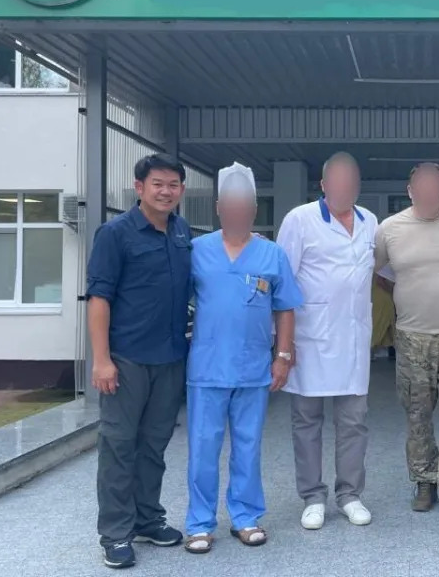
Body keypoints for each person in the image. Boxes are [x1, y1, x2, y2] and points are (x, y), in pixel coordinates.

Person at [184, 163, 302, 554]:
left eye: (245, 205)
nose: (237, 211)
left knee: (248, 446)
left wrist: (283, 355)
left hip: (254, 368)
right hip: (207, 368)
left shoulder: (271, 254)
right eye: (230, 205)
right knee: (203, 447)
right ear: (219, 208)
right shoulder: (196, 251)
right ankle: (200, 522)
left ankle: (245, 517)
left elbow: (285, 308)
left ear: (254, 209)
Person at [86, 153, 192, 570]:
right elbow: (99, 298)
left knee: (154, 446)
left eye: (173, 185)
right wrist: (101, 360)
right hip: (126, 360)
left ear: (181, 190)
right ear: (139, 188)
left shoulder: (182, 232)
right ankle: (115, 533)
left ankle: (148, 519)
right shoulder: (115, 234)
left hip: (169, 359)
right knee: (118, 446)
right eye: (158, 184)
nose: (166, 191)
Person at [276, 152, 379, 530]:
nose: (343, 188)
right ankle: (313, 497)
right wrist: (282, 344)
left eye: (350, 181)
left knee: (354, 422)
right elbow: (282, 282)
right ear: (323, 185)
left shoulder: (370, 221)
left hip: (353, 340)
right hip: (310, 338)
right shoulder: (299, 220)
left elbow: (381, 270)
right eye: (336, 181)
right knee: (307, 421)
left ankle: (350, 494)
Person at [374, 162, 439, 525]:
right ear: (410, 192)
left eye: (435, 189)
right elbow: (380, 274)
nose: (429, 195)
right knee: (417, 415)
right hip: (412, 337)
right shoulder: (389, 229)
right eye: (421, 189)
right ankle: (424, 481)